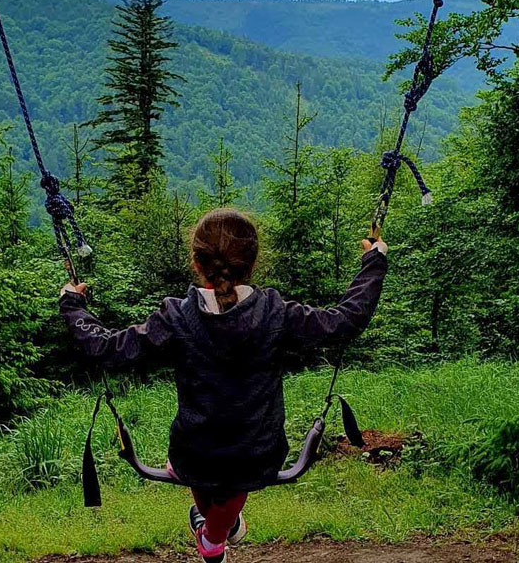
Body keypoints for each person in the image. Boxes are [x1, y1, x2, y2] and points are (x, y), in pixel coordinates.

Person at [59, 208, 388, 563]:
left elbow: (106, 347)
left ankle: (214, 536)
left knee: (205, 470)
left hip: (194, 454)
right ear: (253, 262)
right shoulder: (277, 313)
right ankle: (218, 529)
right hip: (258, 454)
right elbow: (345, 320)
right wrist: (373, 262)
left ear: (197, 264)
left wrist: (72, 304)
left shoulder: (176, 316)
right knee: (231, 476)